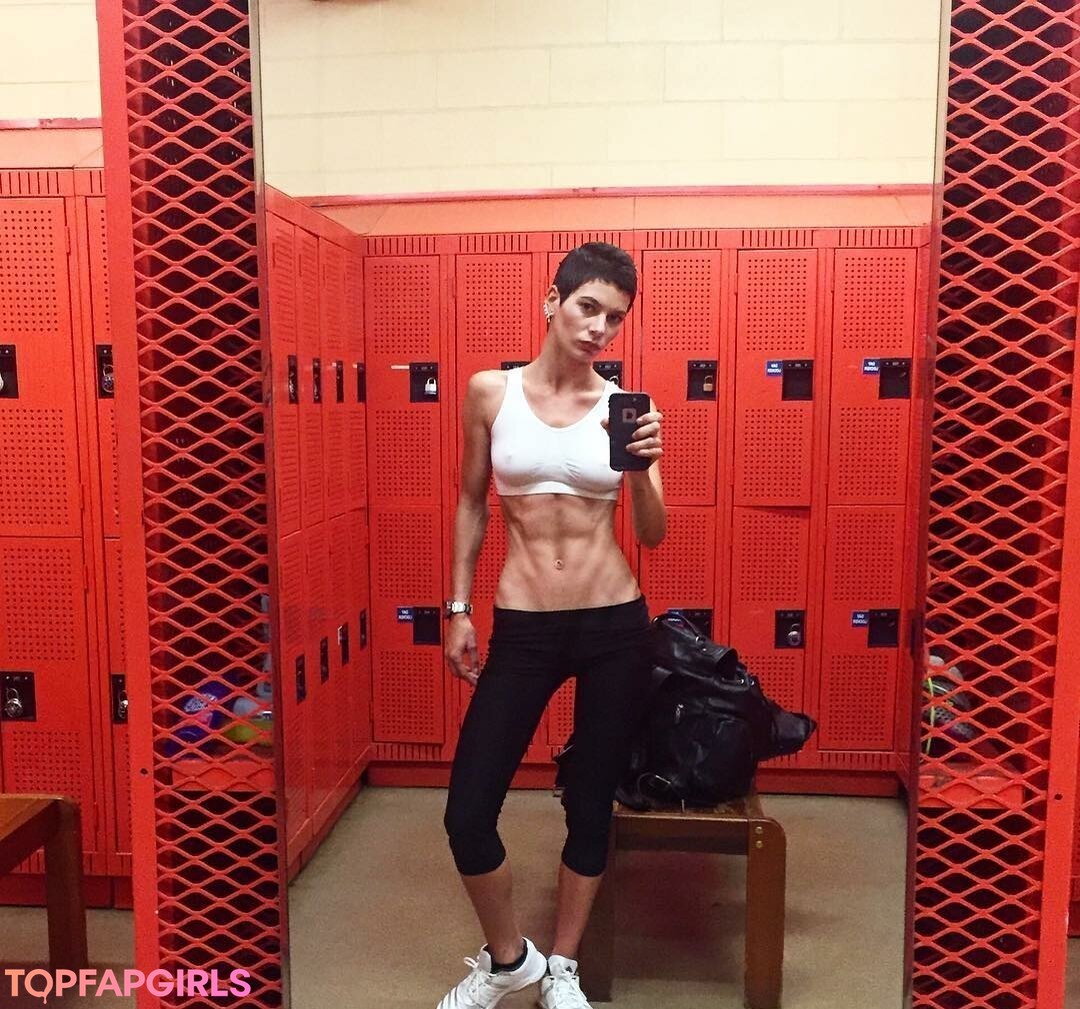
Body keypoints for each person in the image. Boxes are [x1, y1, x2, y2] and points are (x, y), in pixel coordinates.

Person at [438, 243, 667, 1009]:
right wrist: (458, 607)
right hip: (526, 622)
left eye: (615, 317)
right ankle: (510, 959)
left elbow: (653, 532)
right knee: (468, 809)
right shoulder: (490, 393)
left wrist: (643, 468)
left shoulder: (626, 408)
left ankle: (562, 967)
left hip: (613, 623)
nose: (599, 327)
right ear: (552, 301)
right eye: (588, 307)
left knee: (590, 800)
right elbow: (472, 501)